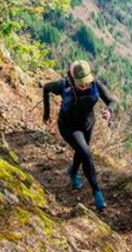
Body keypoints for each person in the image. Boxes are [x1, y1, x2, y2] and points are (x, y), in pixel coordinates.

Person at [42, 59, 117, 211]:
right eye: (80, 82)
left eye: (86, 81)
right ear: (72, 78)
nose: (85, 85)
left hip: (88, 125)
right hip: (69, 126)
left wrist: (109, 111)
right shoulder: (63, 85)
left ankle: (72, 171)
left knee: (82, 152)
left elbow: (112, 101)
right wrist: (46, 114)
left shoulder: (95, 84)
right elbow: (45, 88)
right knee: (86, 154)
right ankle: (97, 192)